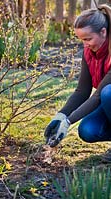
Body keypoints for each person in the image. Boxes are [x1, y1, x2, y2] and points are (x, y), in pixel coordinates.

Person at [44, 4, 111, 160]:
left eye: (88, 39)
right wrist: (60, 116)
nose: (85, 44)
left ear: (103, 32)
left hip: (107, 96)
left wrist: (68, 122)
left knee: (108, 93)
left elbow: (98, 96)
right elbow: (82, 91)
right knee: (88, 130)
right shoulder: (89, 52)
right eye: (82, 40)